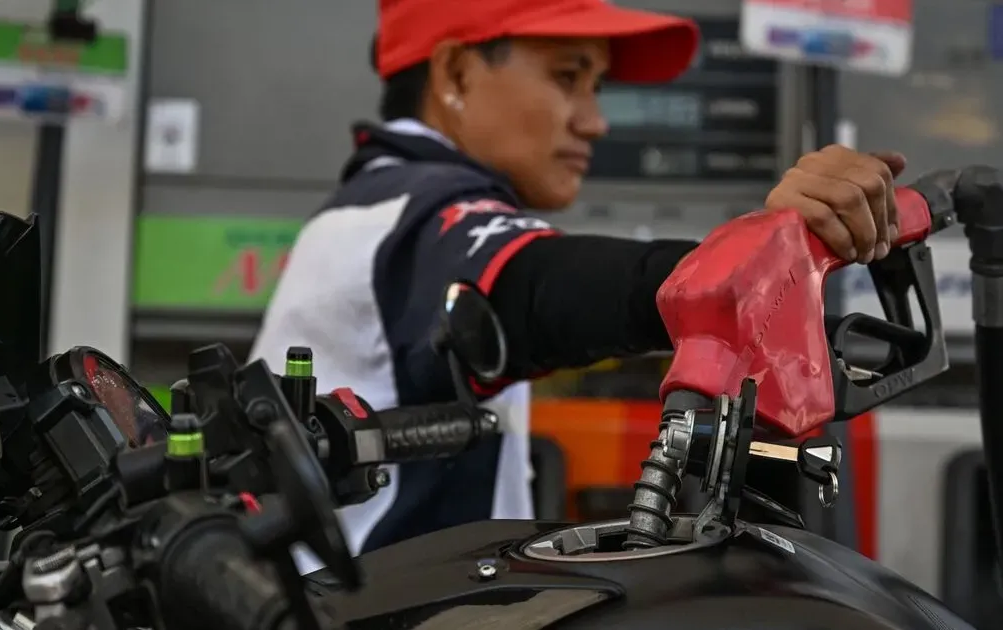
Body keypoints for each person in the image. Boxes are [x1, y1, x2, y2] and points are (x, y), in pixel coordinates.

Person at [250, 0, 907, 572]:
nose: (594, 122)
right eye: (568, 78)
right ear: (455, 74)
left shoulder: (373, 211)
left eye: (595, 86)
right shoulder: (412, 218)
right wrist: (746, 264)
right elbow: (541, 289)